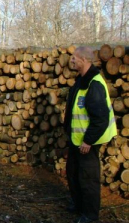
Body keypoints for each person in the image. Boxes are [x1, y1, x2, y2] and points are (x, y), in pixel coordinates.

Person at [64, 46, 117, 223]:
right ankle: (78, 205)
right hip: (76, 140)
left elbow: (100, 118)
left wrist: (88, 140)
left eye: (74, 58)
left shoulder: (94, 83)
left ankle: (90, 214)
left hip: (87, 142)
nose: (71, 61)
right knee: (73, 173)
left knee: (88, 179)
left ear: (84, 60)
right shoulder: (81, 80)